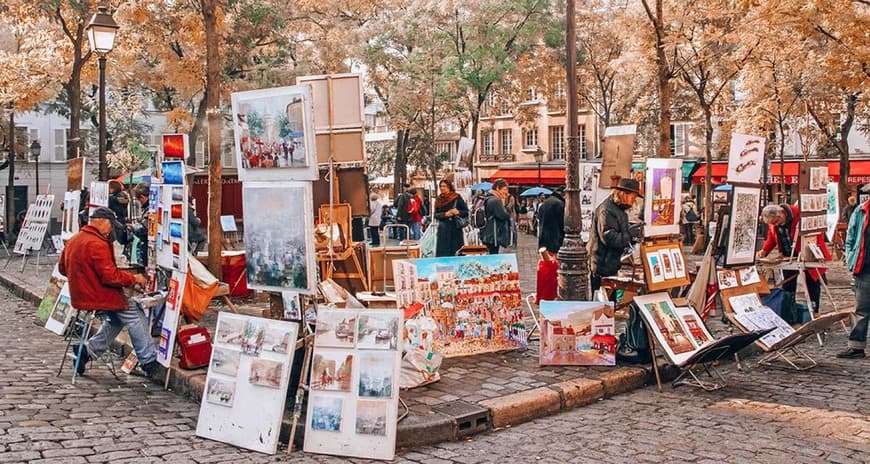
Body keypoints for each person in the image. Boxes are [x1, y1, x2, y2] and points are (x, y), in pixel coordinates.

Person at [58, 207, 156, 376]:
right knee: (133, 311)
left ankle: (89, 350)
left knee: (116, 319)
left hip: (80, 295)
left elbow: (62, 269)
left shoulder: (74, 240)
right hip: (96, 296)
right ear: (102, 222)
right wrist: (135, 279)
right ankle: (149, 360)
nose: (111, 229)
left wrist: (83, 278)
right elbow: (110, 277)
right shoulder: (96, 243)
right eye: (111, 225)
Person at [757, 203, 829, 323]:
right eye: (773, 223)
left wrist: (809, 254)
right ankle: (788, 314)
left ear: (781, 213)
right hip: (787, 256)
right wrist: (764, 251)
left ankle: (814, 312)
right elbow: (772, 237)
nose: (776, 225)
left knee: (812, 284)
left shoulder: (799, 215)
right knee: (788, 286)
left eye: (776, 222)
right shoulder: (775, 222)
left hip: (806, 254)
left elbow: (813, 235)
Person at [588, 178, 643, 292]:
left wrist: (632, 236)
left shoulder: (618, 209)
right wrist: (629, 234)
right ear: (624, 195)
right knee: (602, 299)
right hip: (602, 264)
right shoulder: (607, 210)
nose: (633, 201)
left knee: (609, 300)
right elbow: (609, 238)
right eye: (633, 197)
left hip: (609, 262)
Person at [840, 197, 870, 358]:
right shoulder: (861, 210)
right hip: (865, 268)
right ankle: (856, 347)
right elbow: (851, 237)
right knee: (861, 310)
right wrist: (851, 258)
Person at [433, 179, 469, 257]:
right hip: (443, 230)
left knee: (456, 251)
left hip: (455, 229)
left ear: (449, 187)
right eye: (441, 186)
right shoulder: (438, 200)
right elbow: (436, 215)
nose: (442, 188)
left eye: (444, 186)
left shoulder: (456, 197)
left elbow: (466, 212)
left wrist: (458, 212)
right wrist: (445, 214)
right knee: (443, 253)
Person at [480, 178, 511, 254]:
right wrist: (504, 205)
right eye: (504, 189)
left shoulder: (488, 197)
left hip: (488, 233)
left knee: (490, 254)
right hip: (492, 235)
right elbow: (504, 215)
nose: (506, 192)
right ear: (497, 188)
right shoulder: (495, 200)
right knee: (493, 254)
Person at [537, 187, 565, 253]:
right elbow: (562, 223)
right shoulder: (560, 204)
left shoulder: (543, 204)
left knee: (545, 260)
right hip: (555, 239)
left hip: (543, 239)